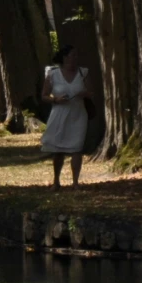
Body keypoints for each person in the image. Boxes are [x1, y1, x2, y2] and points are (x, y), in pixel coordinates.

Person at [41, 45, 95, 187]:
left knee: (77, 148)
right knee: (58, 150)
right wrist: (55, 100)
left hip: (78, 114)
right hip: (59, 114)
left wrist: (84, 94)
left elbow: (91, 92)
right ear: (64, 58)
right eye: (72, 56)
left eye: (76, 56)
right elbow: (44, 95)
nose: (75, 59)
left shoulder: (83, 73)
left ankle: (75, 182)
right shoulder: (53, 74)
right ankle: (56, 181)